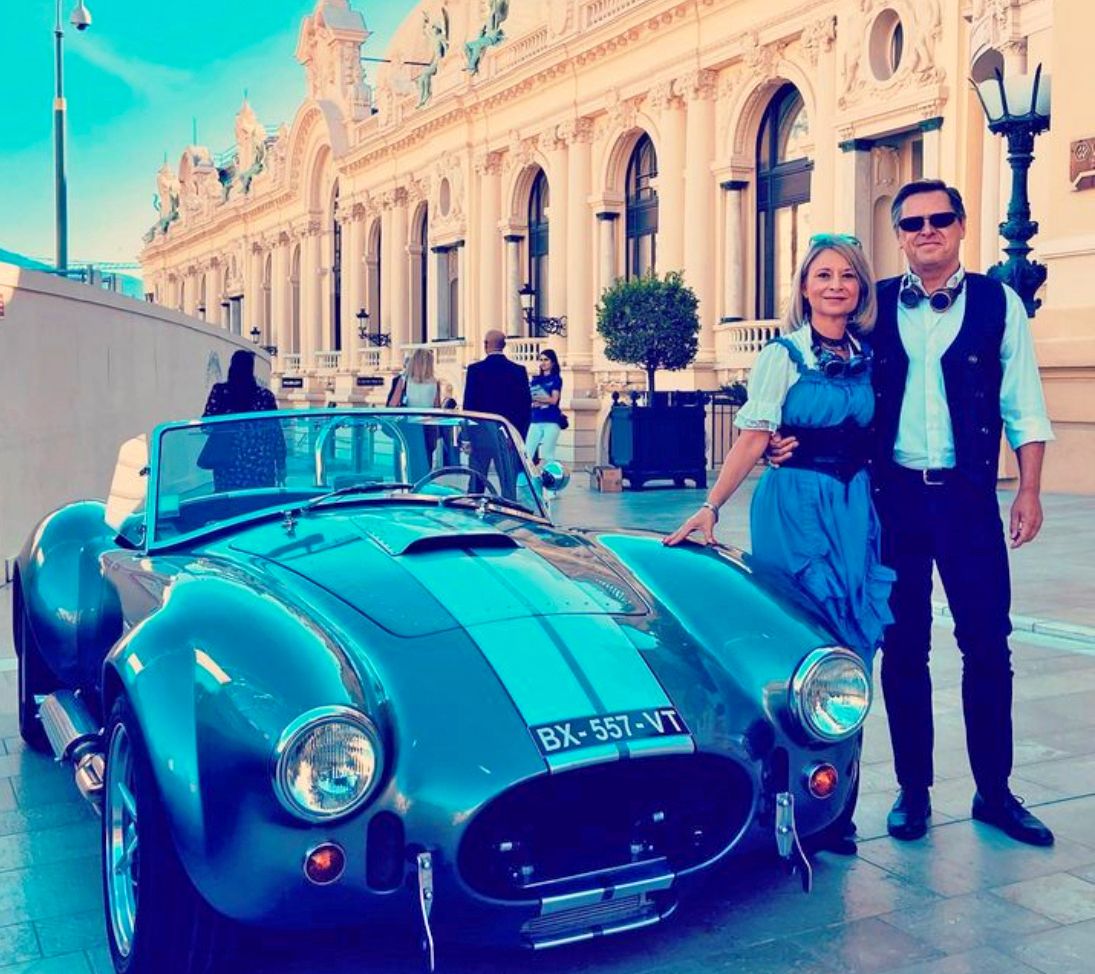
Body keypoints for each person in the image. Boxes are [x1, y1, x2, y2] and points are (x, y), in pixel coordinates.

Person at [666, 235, 894, 854]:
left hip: (854, 507)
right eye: (823, 275)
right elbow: (751, 435)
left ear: (861, 288)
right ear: (804, 287)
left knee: (853, 648)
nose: (836, 285)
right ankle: (791, 803)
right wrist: (711, 506)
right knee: (802, 642)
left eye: (847, 275)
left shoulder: (867, 355)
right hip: (796, 505)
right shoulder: (782, 353)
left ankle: (837, 806)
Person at [864, 180, 1054, 846]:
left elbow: (1023, 404)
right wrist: (780, 436)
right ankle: (912, 791)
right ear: (899, 235)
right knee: (903, 648)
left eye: (939, 219)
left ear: (962, 226)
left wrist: (1027, 490)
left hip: (967, 499)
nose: (927, 230)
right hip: (892, 502)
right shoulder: (873, 304)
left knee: (987, 644)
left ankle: (993, 793)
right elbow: (823, 372)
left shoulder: (999, 302)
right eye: (912, 222)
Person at [201, 349, 284, 492]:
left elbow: (206, 425)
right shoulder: (265, 396)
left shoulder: (220, 392)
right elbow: (275, 432)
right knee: (260, 500)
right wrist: (281, 463)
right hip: (260, 462)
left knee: (230, 499)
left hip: (228, 461)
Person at [462, 329, 532, 497]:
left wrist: (466, 436)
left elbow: (469, 405)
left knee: (476, 482)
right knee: (508, 485)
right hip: (507, 436)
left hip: (480, 435)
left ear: (486, 345)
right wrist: (517, 437)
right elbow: (525, 407)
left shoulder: (475, 370)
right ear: (504, 345)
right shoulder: (518, 370)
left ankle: (472, 507)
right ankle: (509, 509)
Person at [526, 348, 564, 465]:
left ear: (553, 362)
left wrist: (540, 400)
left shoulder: (556, 379)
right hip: (536, 419)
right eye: (541, 360)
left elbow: (554, 400)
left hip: (551, 420)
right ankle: (527, 476)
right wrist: (539, 400)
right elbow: (531, 398)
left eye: (546, 360)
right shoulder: (535, 380)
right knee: (527, 452)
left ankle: (550, 475)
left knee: (548, 454)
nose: (543, 363)